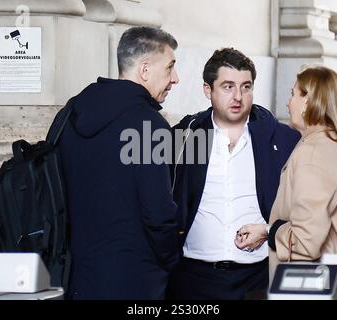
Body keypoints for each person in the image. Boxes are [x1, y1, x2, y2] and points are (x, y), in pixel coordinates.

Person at [167, 48, 301, 300]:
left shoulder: (284, 141)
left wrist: (268, 229)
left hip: (257, 279)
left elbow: (305, 212)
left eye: (246, 87)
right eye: (228, 86)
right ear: (208, 90)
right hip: (192, 278)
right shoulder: (184, 137)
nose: (238, 96)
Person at [59, 26, 180, 299]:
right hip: (135, 279)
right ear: (145, 70)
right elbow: (158, 212)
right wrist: (172, 259)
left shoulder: (71, 113)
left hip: (78, 276)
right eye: (170, 67)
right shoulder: (150, 125)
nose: (175, 78)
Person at [235, 66, 337, 281]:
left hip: (317, 286)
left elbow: (305, 242)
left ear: (307, 101)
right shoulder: (333, 145)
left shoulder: (312, 154)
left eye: (293, 94)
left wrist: (268, 231)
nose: (288, 103)